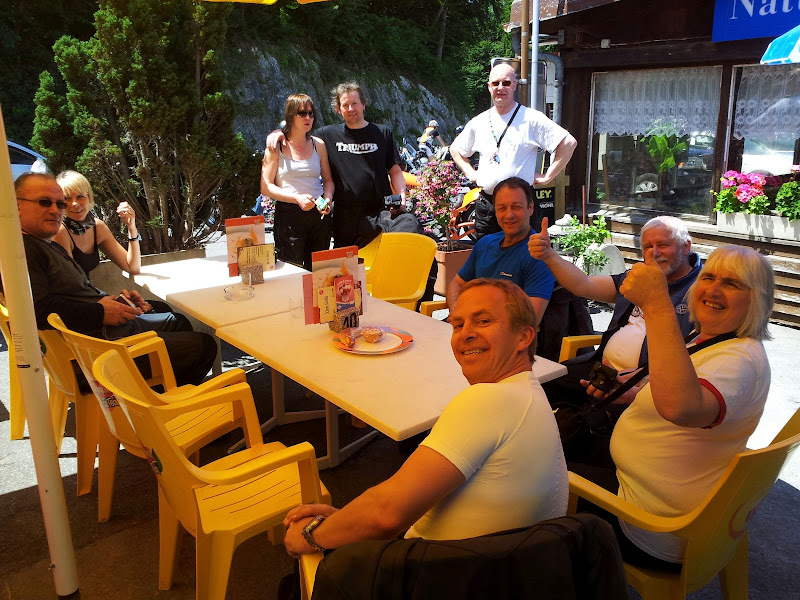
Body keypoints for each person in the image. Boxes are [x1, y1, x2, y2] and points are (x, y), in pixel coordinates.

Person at [282, 278, 567, 556]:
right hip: (497, 567)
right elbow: (395, 507)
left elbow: (386, 515)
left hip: (440, 573)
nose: (465, 334)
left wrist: (310, 536)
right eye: (458, 324)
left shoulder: (490, 400)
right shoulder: (527, 394)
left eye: (483, 321)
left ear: (524, 337)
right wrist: (345, 521)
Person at [579, 245, 773, 569]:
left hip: (651, 526)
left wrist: (656, 303)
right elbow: (685, 391)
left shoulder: (740, 360)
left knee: (540, 478)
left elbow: (682, 408)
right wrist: (633, 392)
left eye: (732, 283)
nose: (713, 290)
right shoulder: (713, 339)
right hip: (648, 492)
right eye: (709, 277)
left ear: (757, 300)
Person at [8, 173, 216, 386]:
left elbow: (80, 290)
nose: (56, 210)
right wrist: (101, 312)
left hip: (101, 336)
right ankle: (155, 401)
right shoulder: (23, 252)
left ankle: (163, 391)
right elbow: (37, 310)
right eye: (44, 202)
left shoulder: (43, 243)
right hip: (98, 353)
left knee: (177, 321)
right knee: (203, 346)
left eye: (59, 203)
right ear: (16, 205)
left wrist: (117, 303)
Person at [529, 215, 702, 409]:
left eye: (663, 245)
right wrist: (549, 255)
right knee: (537, 388)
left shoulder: (701, 292)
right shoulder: (636, 278)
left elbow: (698, 362)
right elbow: (582, 284)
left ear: (686, 246)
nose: (654, 253)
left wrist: (642, 380)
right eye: (647, 247)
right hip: (601, 369)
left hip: (643, 386)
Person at [267, 82, 406, 248]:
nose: (350, 109)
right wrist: (278, 133)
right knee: (344, 263)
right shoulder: (326, 135)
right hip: (345, 219)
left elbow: (395, 172)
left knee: (387, 254)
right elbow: (299, 135)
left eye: (354, 103)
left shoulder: (383, 133)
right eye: (345, 105)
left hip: (380, 213)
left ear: (363, 104)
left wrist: (402, 196)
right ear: (339, 109)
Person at [450, 62, 577, 238]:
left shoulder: (531, 119)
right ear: (489, 87)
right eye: (495, 83)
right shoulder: (479, 122)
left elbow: (568, 143)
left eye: (506, 83)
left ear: (514, 86)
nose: (500, 88)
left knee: (524, 254)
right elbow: (456, 149)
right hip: (488, 206)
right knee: (487, 254)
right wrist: (470, 173)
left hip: (520, 207)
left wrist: (548, 176)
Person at [446, 178, 555, 326]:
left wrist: (478, 322)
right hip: (470, 325)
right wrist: (456, 312)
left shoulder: (538, 254)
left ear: (530, 208)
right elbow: (457, 283)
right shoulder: (485, 244)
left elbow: (530, 319)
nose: (509, 215)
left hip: (506, 335)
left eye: (516, 207)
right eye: (502, 208)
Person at [261, 94, 334, 270]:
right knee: (290, 270)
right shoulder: (276, 146)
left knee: (319, 272)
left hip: (318, 214)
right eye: (302, 113)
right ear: (290, 115)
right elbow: (266, 187)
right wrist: (296, 198)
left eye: (311, 113)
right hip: (289, 214)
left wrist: (328, 199)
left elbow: (328, 181)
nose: (307, 118)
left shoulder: (318, 144)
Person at [52, 170, 140, 278]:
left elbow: (132, 268)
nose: (74, 203)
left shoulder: (97, 227)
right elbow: (71, 280)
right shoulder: (60, 230)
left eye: (80, 196)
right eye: (66, 198)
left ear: (89, 197)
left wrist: (132, 228)